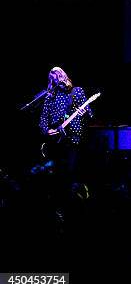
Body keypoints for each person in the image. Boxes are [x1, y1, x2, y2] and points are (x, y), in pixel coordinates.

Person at [39, 67, 92, 202]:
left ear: (63, 77)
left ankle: (71, 201)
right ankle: (58, 203)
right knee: (56, 173)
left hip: (73, 137)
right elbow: (44, 117)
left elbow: (90, 114)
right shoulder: (50, 96)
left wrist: (84, 113)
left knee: (70, 171)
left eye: (57, 77)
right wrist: (46, 130)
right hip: (56, 139)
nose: (55, 80)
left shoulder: (77, 91)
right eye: (52, 79)